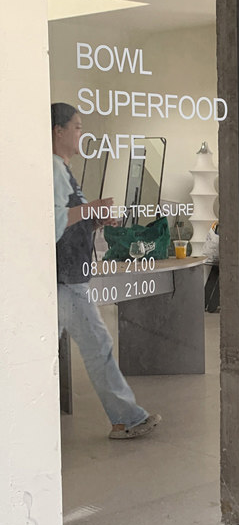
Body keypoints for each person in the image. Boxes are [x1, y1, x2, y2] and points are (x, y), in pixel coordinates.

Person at [52, 102, 161, 439]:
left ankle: (126, 419)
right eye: (77, 127)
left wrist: (94, 220)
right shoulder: (53, 169)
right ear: (58, 131)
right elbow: (52, 221)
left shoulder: (63, 170)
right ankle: (126, 419)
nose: (81, 133)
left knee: (92, 347)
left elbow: (69, 221)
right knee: (98, 346)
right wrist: (90, 210)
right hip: (66, 279)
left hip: (70, 276)